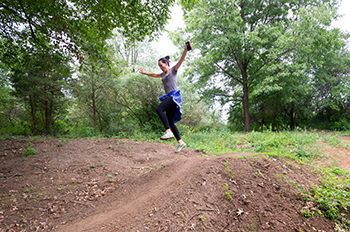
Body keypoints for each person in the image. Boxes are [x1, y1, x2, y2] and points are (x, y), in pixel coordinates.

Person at [139, 43, 190, 153]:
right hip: (169, 97)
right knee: (171, 122)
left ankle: (168, 131)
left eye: (162, 66)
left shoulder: (173, 70)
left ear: (166, 63)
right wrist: (145, 73)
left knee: (159, 109)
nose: (161, 68)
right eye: (159, 67)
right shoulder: (162, 74)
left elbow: (181, 61)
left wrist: (185, 51)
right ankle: (180, 142)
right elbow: (154, 75)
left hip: (174, 96)